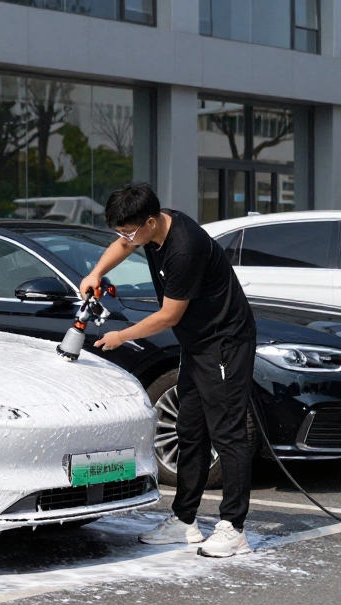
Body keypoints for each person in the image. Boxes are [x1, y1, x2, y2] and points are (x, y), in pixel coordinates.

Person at [81, 181, 257, 557]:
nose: (126, 238)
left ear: (150, 221)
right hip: (197, 344)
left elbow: (169, 315)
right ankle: (184, 521)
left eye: (130, 231)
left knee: (227, 432)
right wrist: (96, 272)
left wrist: (121, 336)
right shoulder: (150, 230)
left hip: (224, 343)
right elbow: (124, 245)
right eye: (119, 231)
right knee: (190, 428)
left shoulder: (184, 248)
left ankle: (234, 527)